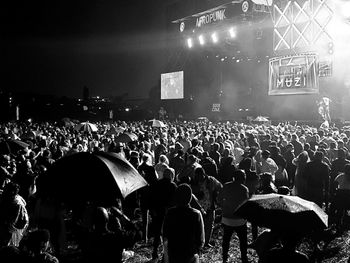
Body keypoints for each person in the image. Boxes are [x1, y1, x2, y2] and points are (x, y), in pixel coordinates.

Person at [162, 184, 205, 263]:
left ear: (176, 197)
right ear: (190, 198)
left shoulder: (170, 213)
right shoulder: (196, 214)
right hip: (190, 254)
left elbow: (165, 236)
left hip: (173, 254)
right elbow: (201, 239)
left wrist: (166, 256)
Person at [219, 169, 249, 263]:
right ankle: (244, 257)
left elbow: (219, 199)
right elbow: (246, 204)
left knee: (226, 239)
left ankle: (224, 257)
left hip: (227, 218)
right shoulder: (244, 189)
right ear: (243, 178)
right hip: (240, 219)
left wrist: (224, 207)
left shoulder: (226, 186)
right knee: (243, 240)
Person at [191, 167, 222, 248]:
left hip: (210, 206)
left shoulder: (211, 180)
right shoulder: (193, 182)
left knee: (209, 225)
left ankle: (206, 242)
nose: (198, 177)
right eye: (196, 176)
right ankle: (198, 243)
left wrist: (216, 195)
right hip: (198, 207)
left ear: (203, 174)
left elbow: (220, 187)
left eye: (200, 175)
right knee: (198, 226)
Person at [0, 182, 29, 247]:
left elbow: (13, 221)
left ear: (12, 192)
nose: (4, 190)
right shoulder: (9, 198)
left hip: (10, 229)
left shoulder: (16, 203)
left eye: (6, 189)